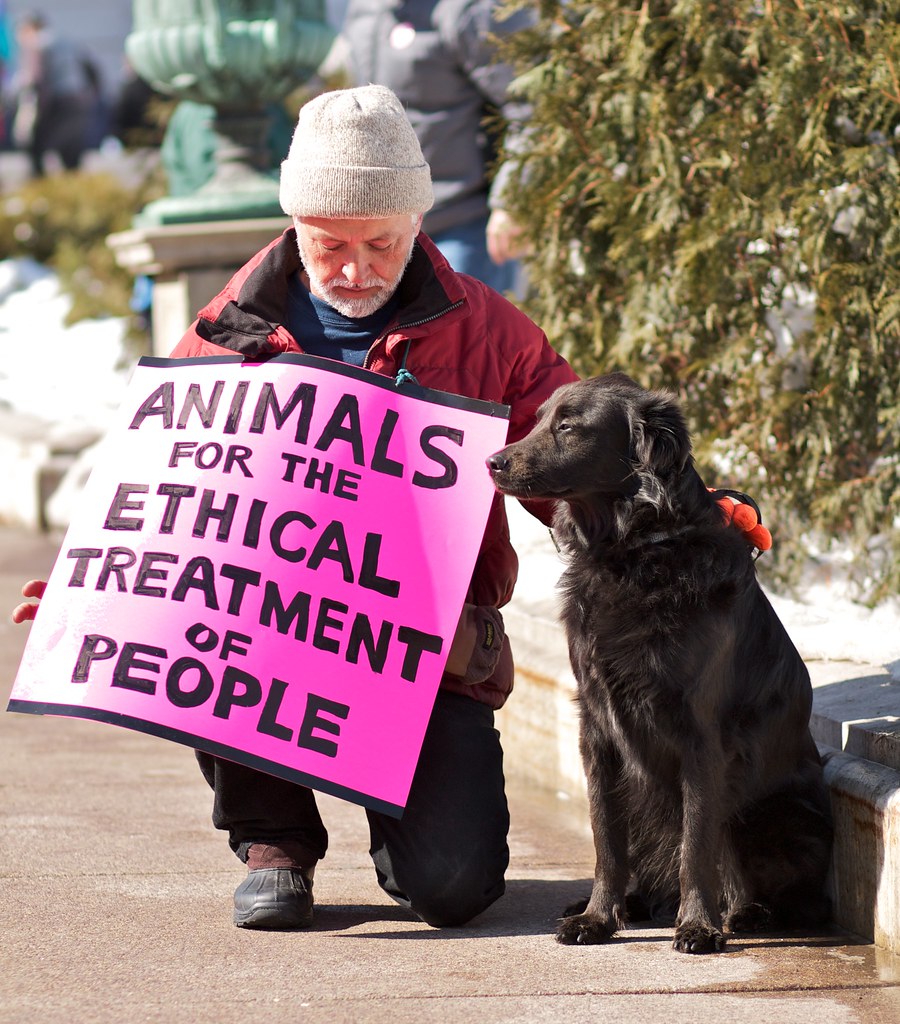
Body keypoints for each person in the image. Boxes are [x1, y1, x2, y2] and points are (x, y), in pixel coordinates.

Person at [14, 85, 579, 931]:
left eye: (381, 243)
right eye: (330, 244)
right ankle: (274, 841)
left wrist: (673, 512)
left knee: (454, 890)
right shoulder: (225, 331)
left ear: (417, 225)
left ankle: (408, 833)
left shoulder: (491, 331)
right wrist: (97, 578)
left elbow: (565, 448)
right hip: (269, 635)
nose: (355, 269)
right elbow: (164, 486)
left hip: (427, 651)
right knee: (214, 605)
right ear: (295, 230)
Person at [339, 0, 532, 293]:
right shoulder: (365, 9)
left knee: (461, 336)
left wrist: (512, 200)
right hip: (384, 227)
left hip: (463, 225)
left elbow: (530, 107)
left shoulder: (473, 11)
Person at [9, 12, 92, 176]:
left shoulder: (38, 46)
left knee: (37, 149)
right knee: (71, 155)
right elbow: (90, 70)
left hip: (53, 104)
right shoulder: (67, 42)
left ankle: (42, 189)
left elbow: (35, 81)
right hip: (76, 101)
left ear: (31, 29)